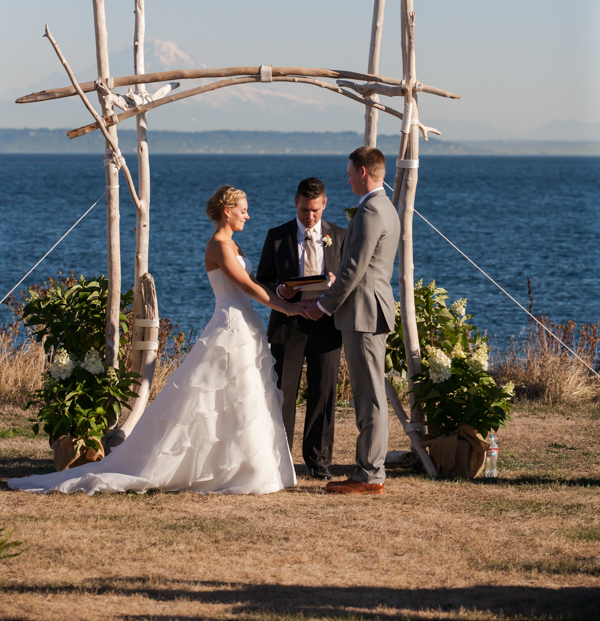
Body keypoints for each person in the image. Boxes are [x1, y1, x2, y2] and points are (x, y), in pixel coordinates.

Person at [8, 186, 298, 496]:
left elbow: (254, 283)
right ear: (227, 211)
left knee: (244, 397)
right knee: (219, 398)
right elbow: (248, 286)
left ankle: (245, 467)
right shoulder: (218, 246)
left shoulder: (234, 244)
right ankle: (217, 469)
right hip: (229, 329)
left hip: (246, 327)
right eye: (243, 209)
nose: (247, 215)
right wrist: (288, 309)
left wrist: (284, 294)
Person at [301, 147, 400, 495]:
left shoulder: (371, 210)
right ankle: (369, 470)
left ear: (363, 172)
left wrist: (323, 305)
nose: (347, 179)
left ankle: (370, 474)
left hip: (363, 314)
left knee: (369, 397)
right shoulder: (386, 207)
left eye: (349, 173)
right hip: (369, 311)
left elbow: (355, 269)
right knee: (369, 395)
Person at [256, 178, 346, 480]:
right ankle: (279, 459)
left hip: (326, 324)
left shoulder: (340, 236)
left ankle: (319, 461)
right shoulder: (277, 236)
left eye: (315, 211)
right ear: (296, 202)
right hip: (288, 324)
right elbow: (263, 280)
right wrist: (281, 291)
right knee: (283, 394)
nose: (310, 216)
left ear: (325, 204)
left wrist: (334, 283)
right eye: (305, 210)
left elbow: (350, 278)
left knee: (323, 392)